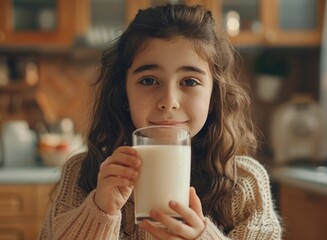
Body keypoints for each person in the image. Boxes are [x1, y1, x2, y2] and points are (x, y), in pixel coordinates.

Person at [39, 3, 282, 240]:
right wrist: (100, 211)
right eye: (148, 81)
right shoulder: (83, 172)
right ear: (124, 94)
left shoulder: (245, 182)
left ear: (214, 98)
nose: (169, 101)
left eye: (189, 81)